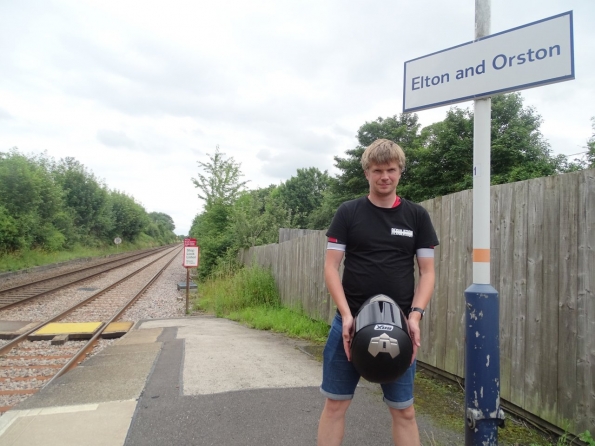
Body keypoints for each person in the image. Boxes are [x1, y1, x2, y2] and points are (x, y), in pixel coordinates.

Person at [317, 138, 439, 446]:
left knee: (405, 412)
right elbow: (331, 268)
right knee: (335, 405)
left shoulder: (417, 217)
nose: (384, 176)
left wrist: (416, 315)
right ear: (367, 173)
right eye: (377, 170)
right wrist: (346, 316)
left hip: (399, 328)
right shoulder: (348, 213)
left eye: (391, 170)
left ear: (400, 172)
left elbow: (428, 272)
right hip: (349, 325)